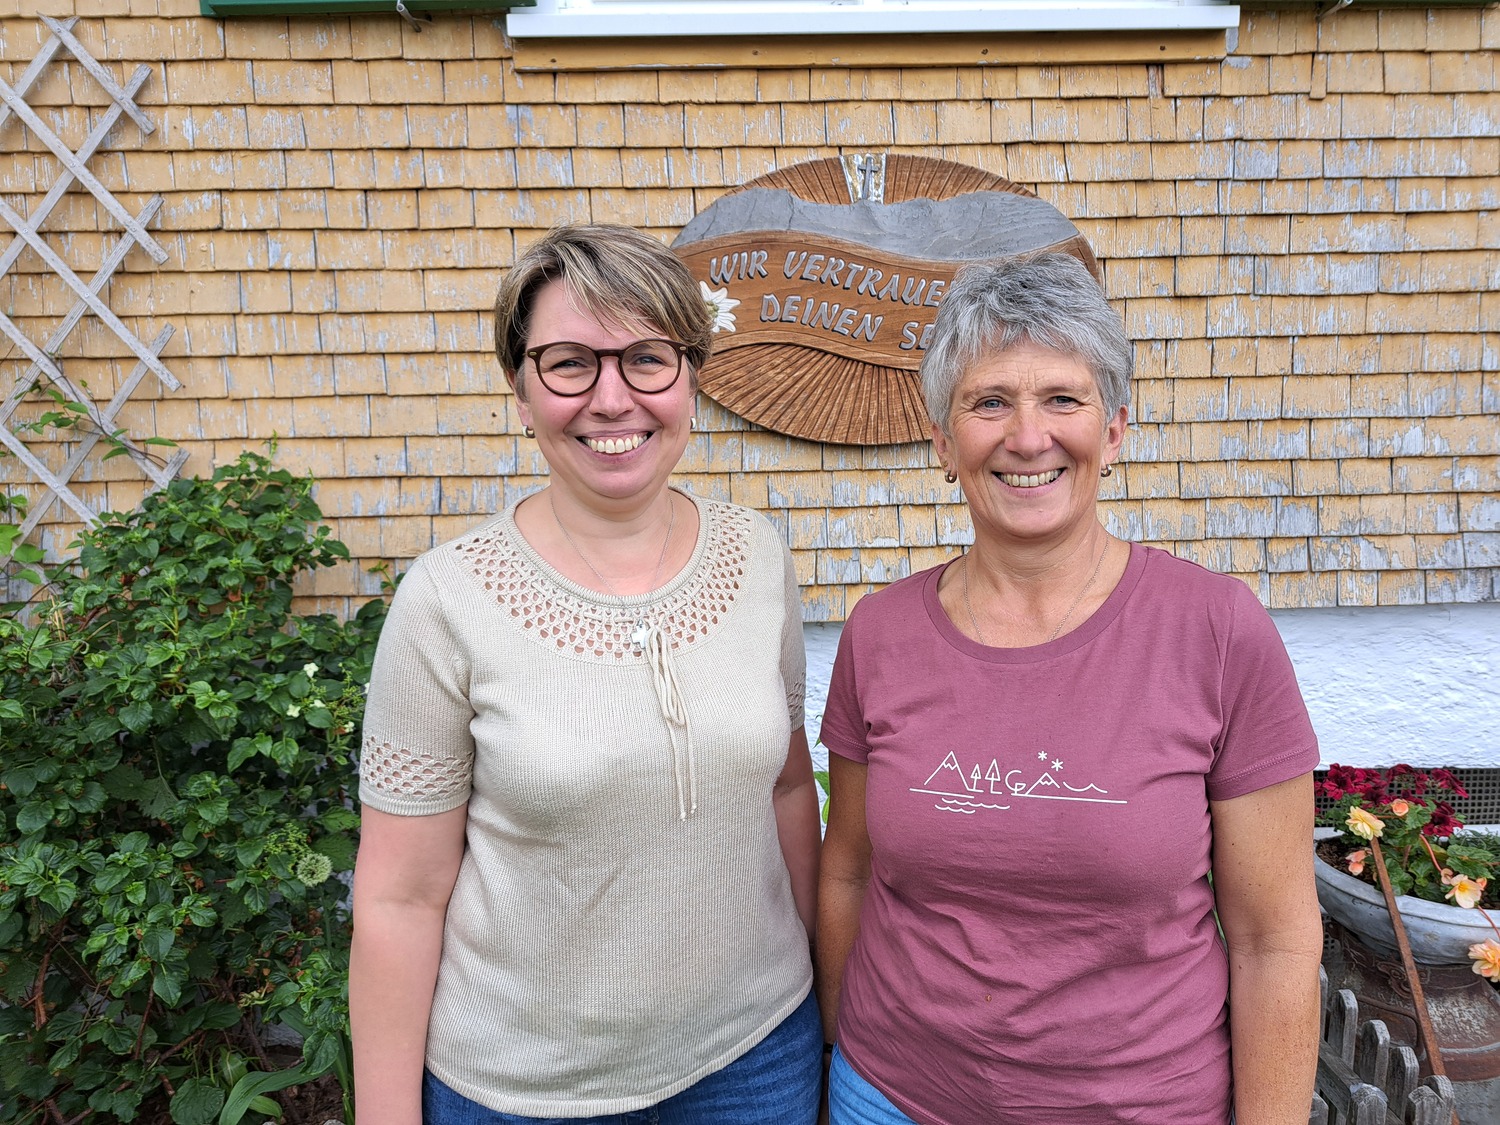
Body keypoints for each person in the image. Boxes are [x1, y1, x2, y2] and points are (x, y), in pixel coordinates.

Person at [815, 252, 1324, 1125]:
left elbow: (1273, 939)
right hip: (891, 1097)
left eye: (1062, 398)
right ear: (943, 442)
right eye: (988, 402)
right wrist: (838, 1052)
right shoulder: (880, 634)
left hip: (1140, 1106)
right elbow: (849, 870)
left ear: (1113, 430)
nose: (1027, 436)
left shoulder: (1215, 631)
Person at [350, 222, 822, 1125]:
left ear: (691, 378)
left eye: (647, 358)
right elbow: (399, 897)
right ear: (521, 389)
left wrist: (829, 1008)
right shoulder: (448, 601)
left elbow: (789, 789)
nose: (612, 398)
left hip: (757, 1059)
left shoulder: (757, 558)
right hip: (522, 1092)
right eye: (570, 363)